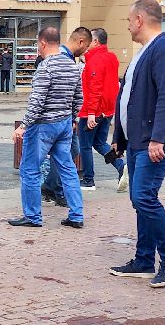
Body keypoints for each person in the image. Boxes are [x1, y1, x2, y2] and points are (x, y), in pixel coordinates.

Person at [108, 0, 165, 287]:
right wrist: (119, 138)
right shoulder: (145, 51)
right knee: (140, 200)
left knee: (143, 197)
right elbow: (129, 98)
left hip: (156, 141)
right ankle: (144, 260)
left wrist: (158, 138)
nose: (128, 25)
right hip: (137, 140)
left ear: (141, 20)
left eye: (129, 20)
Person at [9, 25, 83, 229]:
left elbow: (37, 100)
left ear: (42, 43)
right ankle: (76, 215)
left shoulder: (46, 67)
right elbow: (79, 98)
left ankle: (32, 216)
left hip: (42, 126)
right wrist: (72, 118)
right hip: (64, 124)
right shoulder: (72, 66)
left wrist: (23, 126)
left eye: (37, 44)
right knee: (68, 169)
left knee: (29, 170)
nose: (37, 49)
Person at [41, 29, 90, 204]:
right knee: (66, 155)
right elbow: (74, 94)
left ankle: (52, 186)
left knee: (68, 153)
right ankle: (58, 190)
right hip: (57, 119)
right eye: (86, 47)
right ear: (81, 42)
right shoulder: (62, 58)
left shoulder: (63, 57)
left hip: (61, 118)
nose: (85, 52)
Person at [77, 27, 123, 189]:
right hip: (108, 109)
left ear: (95, 42)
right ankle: (120, 166)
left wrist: (90, 113)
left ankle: (89, 179)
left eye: (89, 40)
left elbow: (94, 87)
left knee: (85, 145)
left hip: (93, 110)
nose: (86, 44)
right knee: (99, 142)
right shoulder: (111, 58)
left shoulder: (95, 60)